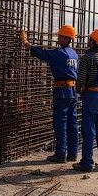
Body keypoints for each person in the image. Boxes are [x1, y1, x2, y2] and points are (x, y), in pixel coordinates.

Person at [21, 24, 80, 163]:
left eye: (60, 36)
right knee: (72, 123)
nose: (58, 38)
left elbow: (43, 53)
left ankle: (60, 154)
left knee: (60, 122)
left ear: (66, 38)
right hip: (72, 90)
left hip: (63, 91)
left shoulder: (60, 54)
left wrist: (27, 43)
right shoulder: (74, 54)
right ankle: (73, 154)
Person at [74, 28, 98, 172]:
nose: (88, 41)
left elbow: (80, 79)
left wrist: (79, 90)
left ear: (93, 41)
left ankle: (87, 163)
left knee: (88, 130)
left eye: (89, 39)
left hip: (91, 96)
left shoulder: (87, 58)